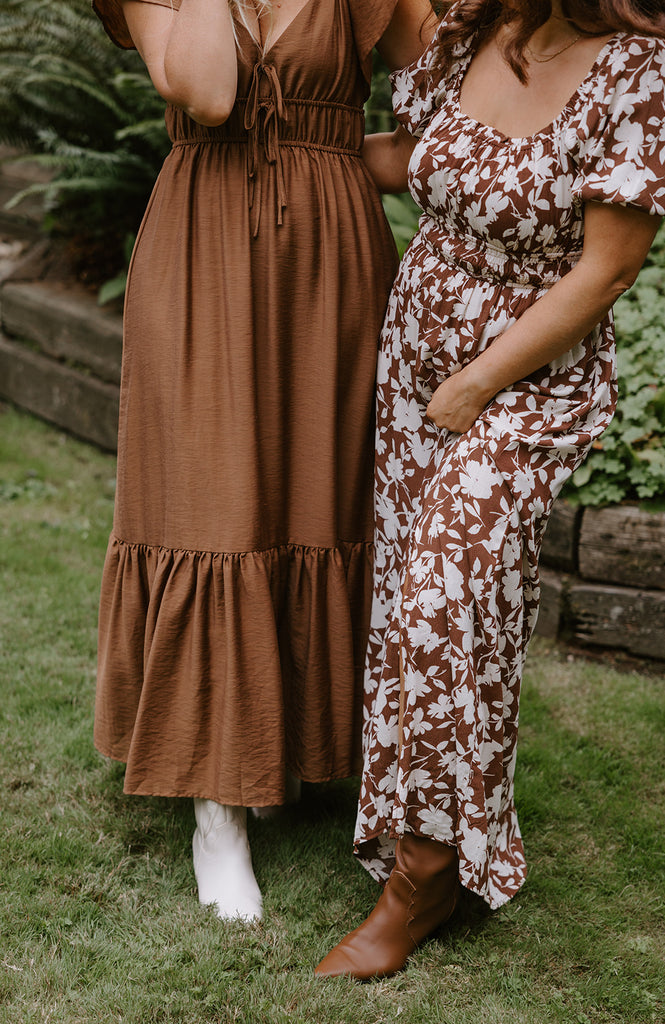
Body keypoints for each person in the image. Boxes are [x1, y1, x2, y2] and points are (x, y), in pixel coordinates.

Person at [314, 0, 665, 979]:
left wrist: (475, 384)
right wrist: (301, 154)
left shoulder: (636, 72)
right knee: (416, 604)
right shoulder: (470, 33)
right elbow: (414, 160)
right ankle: (430, 833)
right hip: (414, 355)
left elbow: (605, 271)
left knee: (443, 596)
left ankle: (420, 882)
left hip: (522, 384)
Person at [91, 0, 435, 922]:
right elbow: (205, 92)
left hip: (333, 251)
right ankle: (218, 815)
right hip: (203, 239)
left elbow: (449, 83)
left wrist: (354, 156)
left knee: (325, 500)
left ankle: (317, 753)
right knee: (215, 503)